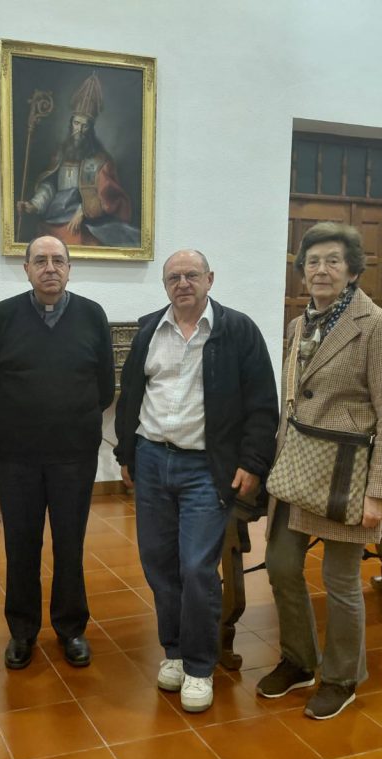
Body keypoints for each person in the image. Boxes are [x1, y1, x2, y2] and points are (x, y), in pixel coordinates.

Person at [114, 249, 278, 713]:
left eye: (190, 275)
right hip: (150, 461)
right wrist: (126, 452)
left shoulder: (237, 330)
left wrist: (252, 462)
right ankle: (175, 651)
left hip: (207, 468)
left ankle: (201, 666)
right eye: (173, 277)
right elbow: (131, 395)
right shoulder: (150, 329)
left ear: (210, 278)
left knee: (197, 568)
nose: (182, 283)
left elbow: (263, 404)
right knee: (158, 563)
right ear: (164, 285)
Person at [256, 222, 382, 720]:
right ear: (302, 271)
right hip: (296, 469)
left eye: (332, 261)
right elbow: (291, 403)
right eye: (312, 262)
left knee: (341, 581)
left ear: (353, 270)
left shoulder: (378, 325)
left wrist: (380, 492)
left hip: (345, 473)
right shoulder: (299, 324)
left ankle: (342, 677)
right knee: (280, 566)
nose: (320, 270)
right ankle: (300, 660)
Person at [0, 235, 114, 670]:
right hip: (17, 453)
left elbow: (103, 384)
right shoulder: (4, 315)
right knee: (21, 543)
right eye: (41, 260)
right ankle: (22, 631)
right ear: (27, 269)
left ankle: (71, 628)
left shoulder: (92, 315)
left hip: (74, 453)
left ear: (70, 268)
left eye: (59, 260)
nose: (50, 267)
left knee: (70, 543)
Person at [16, 71, 140, 247]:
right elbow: (50, 186)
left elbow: (108, 196)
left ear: (90, 129)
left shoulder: (100, 160)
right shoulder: (61, 154)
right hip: (53, 217)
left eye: (84, 126)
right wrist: (34, 205)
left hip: (82, 222)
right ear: (71, 124)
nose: (79, 130)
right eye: (76, 124)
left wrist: (83, 211)